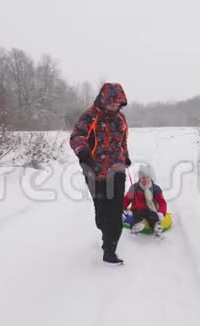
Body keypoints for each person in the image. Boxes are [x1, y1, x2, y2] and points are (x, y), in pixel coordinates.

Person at [70, 82, 131, 265]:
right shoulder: (89, 117)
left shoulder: (121, 119)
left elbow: (123, 142)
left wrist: (126, 157)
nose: (116, 107)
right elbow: (77, 137)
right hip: (93, 169)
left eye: (119, 104)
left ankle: (110, 250)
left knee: (115, 210)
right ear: (104, 100)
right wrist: (83, 153)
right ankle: (106, 233)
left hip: (116, 168)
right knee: (102, 211)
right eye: (113, 103)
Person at [123, 164, 167, 237]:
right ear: (140, 178)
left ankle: (156, 228)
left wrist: (161, 212)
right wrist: (122, 209)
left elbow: (162, 202)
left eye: (148, 177)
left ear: (151, 177)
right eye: (143, 178)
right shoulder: (134, 188)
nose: (145, 180)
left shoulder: (155, 189)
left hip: (151, 209)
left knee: (153, 216)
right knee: (136, 216)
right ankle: (136, 227)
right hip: (137, 209)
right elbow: (127, 200)